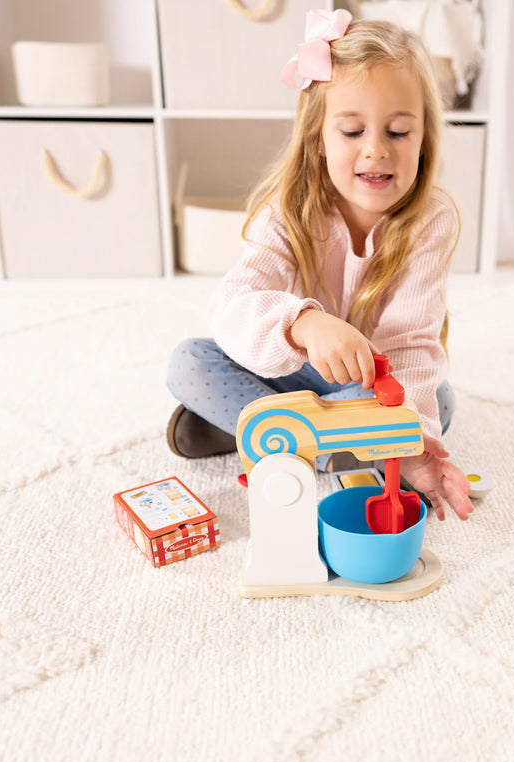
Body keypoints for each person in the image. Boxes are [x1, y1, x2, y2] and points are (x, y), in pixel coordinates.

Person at [166, 10, 473, 522]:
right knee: (188, 361)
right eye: (352, 130)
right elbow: (231, 306)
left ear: (424, 140)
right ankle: (326, 442)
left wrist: (415, 448)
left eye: (398, 132)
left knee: (438, 403)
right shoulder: (288, 210)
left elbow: (412, 343)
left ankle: (267, 435)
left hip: (369, 385)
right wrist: (304, 325)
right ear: (318, 139)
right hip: (289, 368)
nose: (376, 149)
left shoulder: (429, 220)